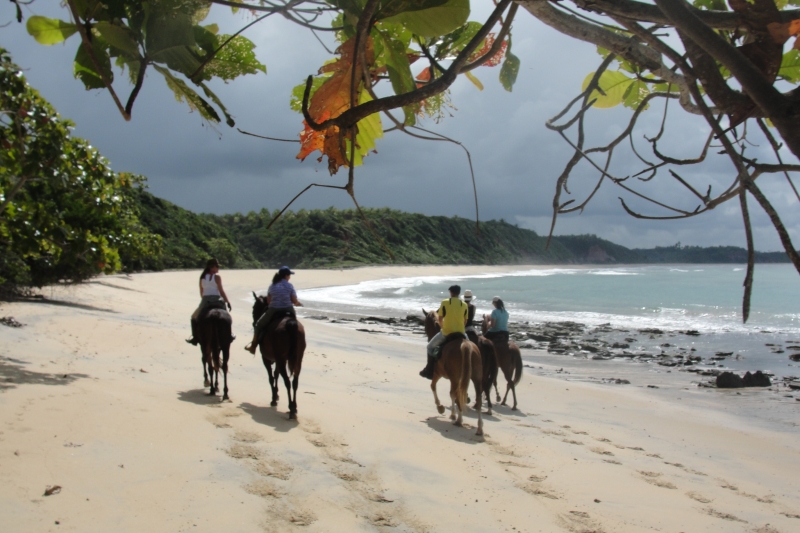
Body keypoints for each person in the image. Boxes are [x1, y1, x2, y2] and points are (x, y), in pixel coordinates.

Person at [246, 266, 303, 354]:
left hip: (274, 309)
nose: (290, 277)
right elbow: (294, 301)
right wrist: (298, 304)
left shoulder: (272, 285)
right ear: (286, 276)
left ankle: (253, 346)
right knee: (295, 324)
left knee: (258, 325)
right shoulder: (290, 286)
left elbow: (269, 301)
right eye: (289, 275)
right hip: (288, 309)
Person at [419, 284, 468, 379]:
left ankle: (429, 370)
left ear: (451, 292)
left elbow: (440, 319)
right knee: (472, 347)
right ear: (459, 293)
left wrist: (442, 327)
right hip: (461, 332)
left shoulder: (445, 302)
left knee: (429, 347)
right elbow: (465, 321)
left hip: (447, 332)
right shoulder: (464, 304)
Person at [186, 258, 233, 345]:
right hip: (217, 299)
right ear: (212, 267)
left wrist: (204, 300)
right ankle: (229, 335)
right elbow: (221, 291)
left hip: (205, 300)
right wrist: (227, 302)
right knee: (226, 316)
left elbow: (201, 292)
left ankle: (195, 337)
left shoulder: (202, 278)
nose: (218, 268)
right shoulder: (217, 277)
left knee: (193, 317)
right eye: (217, 267)